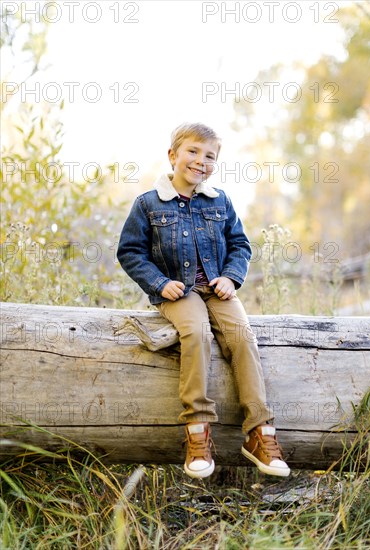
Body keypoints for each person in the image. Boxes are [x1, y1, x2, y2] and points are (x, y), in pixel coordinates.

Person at [117, 122, 290, 479]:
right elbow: (130, 251)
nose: (201, 161)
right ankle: (197, 431)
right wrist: (159, 283)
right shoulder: (149, 204)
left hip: (216, 288)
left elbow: (240, 244)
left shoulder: (220, 201)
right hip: (178, 291)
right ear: (173, 156)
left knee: (242, 337)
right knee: (196, 333)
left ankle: (260, 432)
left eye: (209, 156)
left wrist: (230, 277)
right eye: (193, 152)